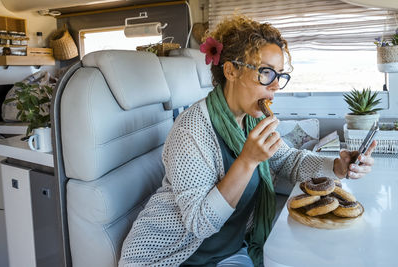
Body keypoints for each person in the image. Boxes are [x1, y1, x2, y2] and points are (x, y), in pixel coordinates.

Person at [119, 14, 377, 267]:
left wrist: (337, 167)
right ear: (231, 71)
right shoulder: (190, 130)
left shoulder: (250, 120)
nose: (275, 85)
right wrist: (247, 161)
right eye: (266, 73)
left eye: (280, 75)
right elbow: (198, 223)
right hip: (172, 257)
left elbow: (288, 160)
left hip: (231, 250)